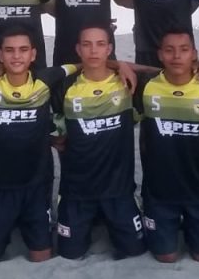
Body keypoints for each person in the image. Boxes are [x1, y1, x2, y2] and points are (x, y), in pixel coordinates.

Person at [0, 25, 78, 263]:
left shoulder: (46, 79)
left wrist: (120, 65)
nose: (16, 56)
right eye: (9, 51)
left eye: (23, 50)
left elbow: (81, 65)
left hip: (36, 184)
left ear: (33, 54)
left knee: (41, 255)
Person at [52, 22, 146, 260]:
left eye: (100, 44)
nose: (93, 51)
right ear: (78, 49)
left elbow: (168, 71)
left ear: (109, 49)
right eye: (87, 44)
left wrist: (122, 64)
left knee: (134, 251)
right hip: (77, 190)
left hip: (118, 189)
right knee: (69, 253)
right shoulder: (64, 87)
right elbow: (58, 137)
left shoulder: (129, 83)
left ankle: (127, 205)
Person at [132, 26, 199, 263]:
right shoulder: (145, 86)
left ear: (194, 54)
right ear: (160, 54)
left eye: (183, 50)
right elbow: (106, 63)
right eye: (169, 50)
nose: (176, 56)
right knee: (166, 257)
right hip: (159, 191)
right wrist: (121, 65)